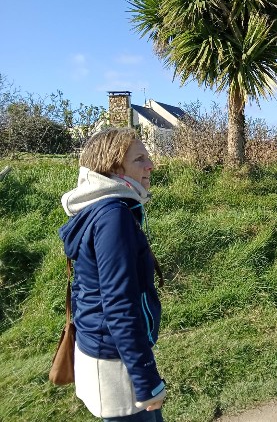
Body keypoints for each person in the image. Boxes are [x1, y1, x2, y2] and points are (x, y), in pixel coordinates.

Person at [59, 128, 166, 421]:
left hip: (105, 349)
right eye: (140, 159)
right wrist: (146, 380)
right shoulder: (112, 215)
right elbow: (119, 304)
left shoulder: (99, 209)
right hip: (116, 361)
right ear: (114, 168)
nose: (150, 165)